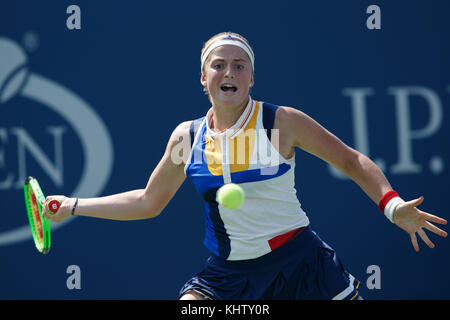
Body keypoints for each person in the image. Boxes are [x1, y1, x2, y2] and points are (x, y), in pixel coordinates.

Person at [43, 32, 447, 300]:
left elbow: (352, 161)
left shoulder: (280, 123)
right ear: (204, 77)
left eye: (240, 65)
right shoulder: (188, 138)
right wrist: (74, 204)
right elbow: (148, 201)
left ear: (252, 78)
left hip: (301, 265)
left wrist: (392, 207)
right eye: (219, 65)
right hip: (227, 276)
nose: (229, 72)